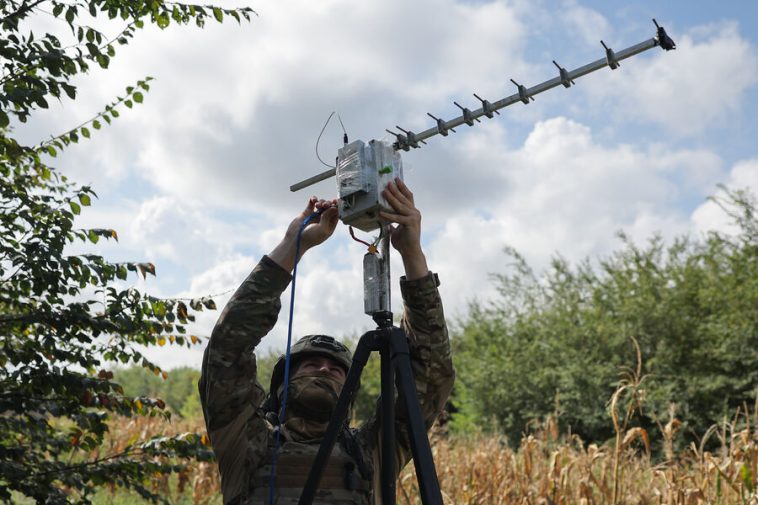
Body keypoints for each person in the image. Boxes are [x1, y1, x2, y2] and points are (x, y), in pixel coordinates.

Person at [199, 179, 454, 505]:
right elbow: (226, 349)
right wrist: (293, 246)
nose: (323, 367)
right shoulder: (247, 444)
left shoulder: (371, 452)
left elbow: (431, 376)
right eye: (309, 362)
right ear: (282, 385)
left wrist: (413, 255)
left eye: (337, 368)